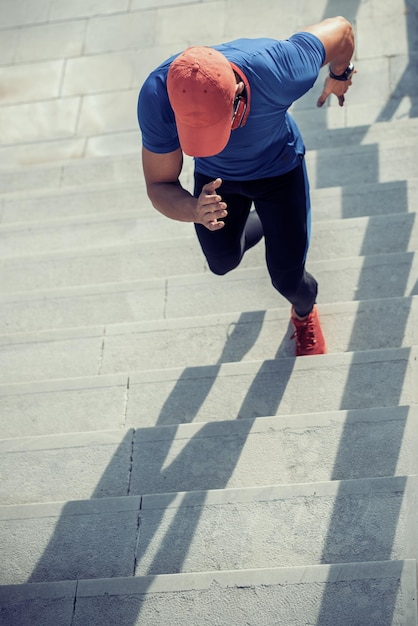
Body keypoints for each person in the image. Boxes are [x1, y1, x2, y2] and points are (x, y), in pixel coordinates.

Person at [137, 16, 355, 356]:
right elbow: (159, 183)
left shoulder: (278, 69)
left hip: (279, 172)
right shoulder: (158, 96)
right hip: (215, 183)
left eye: (216, 129)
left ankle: (303, 313)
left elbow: (341, 30)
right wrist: (194, 209)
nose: (210, 144)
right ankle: (268, 224)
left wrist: (340, 75)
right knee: (221, 262)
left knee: (287, 279)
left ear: (239, 93)